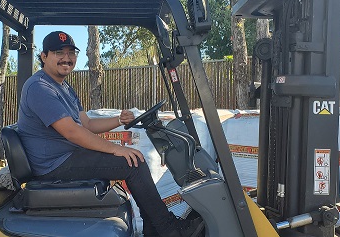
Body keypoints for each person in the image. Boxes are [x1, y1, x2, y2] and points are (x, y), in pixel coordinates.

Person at [16, 31, 204, 237]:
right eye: (58, 52)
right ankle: (168, 230)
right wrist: (116, 148)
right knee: (133, 163)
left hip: (65, 156)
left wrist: (118, 121)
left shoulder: (65, 88)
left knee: (133, 159)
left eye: (71, 53)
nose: (66, 58)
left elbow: (85, 123)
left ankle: (154, 228)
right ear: (44, 56)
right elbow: (72, 132)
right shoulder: (39, 87)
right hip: (53, 164)